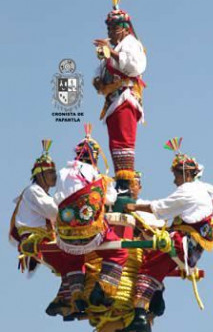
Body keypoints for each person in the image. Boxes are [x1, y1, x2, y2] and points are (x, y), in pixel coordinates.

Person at [116, 149, 213, 332]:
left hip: (181, 244)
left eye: (176, 176)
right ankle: (147, 320)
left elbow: (161, 208)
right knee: (154, 263)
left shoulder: (189, 190)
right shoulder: (207, 190)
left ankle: (140, 315)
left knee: (146, 269)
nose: (174, 181)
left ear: (187, 174)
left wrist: (133, 207)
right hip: (191, 248)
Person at [52, 124, 130, 310]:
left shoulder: (61, 174)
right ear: (94, 157)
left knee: (72, 258)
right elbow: (110, 199)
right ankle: (103, 287)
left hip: (66, 237)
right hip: (91, 235)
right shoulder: (97, 176)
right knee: (119, 251)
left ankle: (77, 294)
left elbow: (57, 200)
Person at [92, 0, 147, 193]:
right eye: (109, 28)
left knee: (124, 139)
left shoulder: (132, 44)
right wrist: (98, 82)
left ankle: (125, 182)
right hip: (112, 100)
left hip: (125, 97)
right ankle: (120, 179)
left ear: (124, 29)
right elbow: (99, 78)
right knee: (115, 141)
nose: (111, 31)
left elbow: (135, 67)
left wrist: (111, 52)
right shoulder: (113, 50)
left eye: (114, 27)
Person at [10, 140, 58, 272]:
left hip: (43, 239)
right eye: (50, 173)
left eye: (54, 172)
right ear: (39, 175)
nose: (54, 176)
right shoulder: (33, 191)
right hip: (35, 239)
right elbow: (54, 212)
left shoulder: (45, 194)